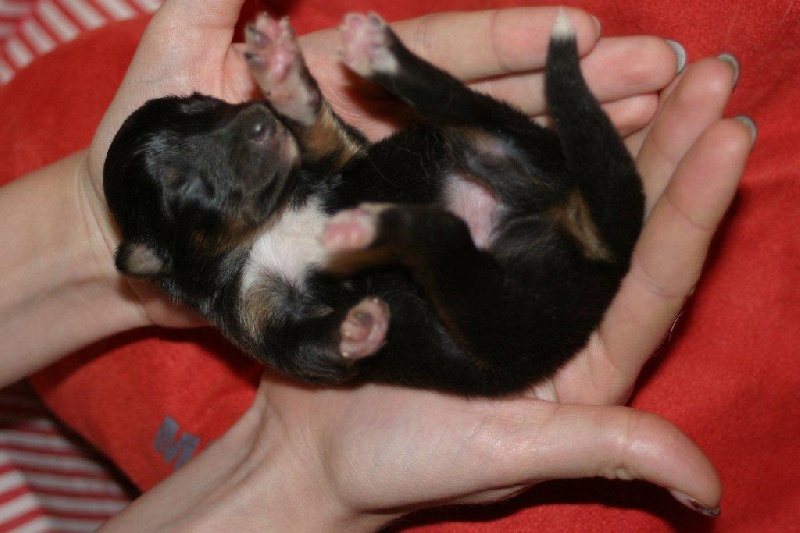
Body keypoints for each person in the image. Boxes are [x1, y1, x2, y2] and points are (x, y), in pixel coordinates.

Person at [0, 0, 755, 529]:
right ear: (159, 260)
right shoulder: (251, 300)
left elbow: (340, 164)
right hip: (493, 287)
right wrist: (336, 348)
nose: (242, 122)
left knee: (448, 140)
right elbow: (299, 344)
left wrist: (296, 95)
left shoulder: (283, 197)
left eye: (208, 108)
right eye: (184, 177)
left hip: (498, 202)